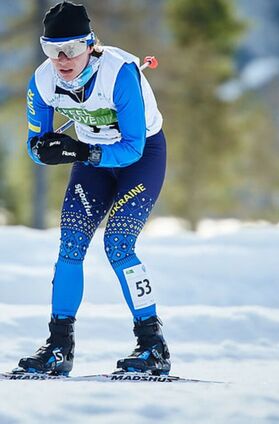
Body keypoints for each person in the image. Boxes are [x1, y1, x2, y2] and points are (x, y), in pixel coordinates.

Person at [20, 1, 170, 375]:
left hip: (140, 157)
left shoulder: (119, 74)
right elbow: (35, 144)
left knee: (118, 245)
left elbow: (133, 146)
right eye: (51, 50)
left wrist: (80, 150)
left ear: (90, 44)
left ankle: (154, 346)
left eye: (70, 49)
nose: (62, 59)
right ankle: (59, 346)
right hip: (92, 162)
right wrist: (45, 151)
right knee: (70, 245)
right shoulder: (42, 80)